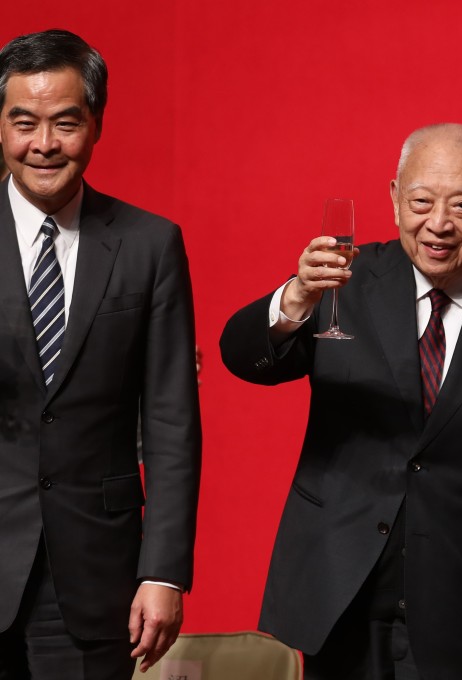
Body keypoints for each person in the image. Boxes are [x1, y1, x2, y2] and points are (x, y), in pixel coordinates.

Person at [219, 123, 462, 680]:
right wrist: (295, 297)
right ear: (395, 199)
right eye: (421, 201)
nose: (438, 224)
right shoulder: (338, 281)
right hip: (341, 588)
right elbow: (241, 355)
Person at [0, 29, 201, 679]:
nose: (43, 144)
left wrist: (165, 571)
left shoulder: (149, 246)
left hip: (94, 574)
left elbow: (172, 422)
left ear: (96, 125)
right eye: (23, 122)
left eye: (64, 122)